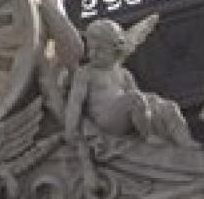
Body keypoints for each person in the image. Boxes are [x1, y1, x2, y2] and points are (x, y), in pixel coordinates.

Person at [63, 18, 196, 148]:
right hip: (106, 120)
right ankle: (149, 136)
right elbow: (75, 103)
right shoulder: (86, 73)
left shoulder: (124, 73)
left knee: (169, 106)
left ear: (116, 49)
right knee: (135, 98)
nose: (93, 54)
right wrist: (70, 130)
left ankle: (185, 142)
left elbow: (141, 102)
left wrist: (156, 103)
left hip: (124, 114)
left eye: (100, 49)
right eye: (91, 49)